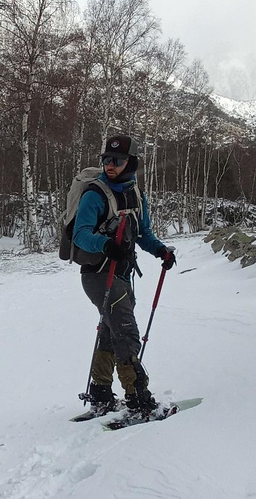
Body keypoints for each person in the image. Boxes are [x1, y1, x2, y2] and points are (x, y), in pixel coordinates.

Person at [73, 134, 175, 415]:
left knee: (110, 330)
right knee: (127, 333)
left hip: (122, 274)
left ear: (132, 163)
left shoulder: (136, 195)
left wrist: (161, 251)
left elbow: (143, 234)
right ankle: (138, 398)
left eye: (116, 161)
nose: (110, 165)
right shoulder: (95, 194)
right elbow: (81, 235)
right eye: (107, 160)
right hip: (97, 274)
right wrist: (106, 244)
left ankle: (102, 392)